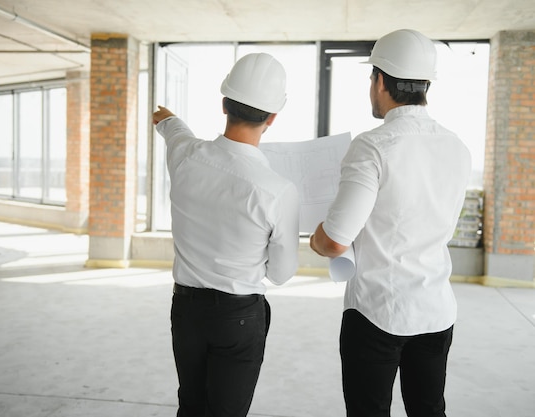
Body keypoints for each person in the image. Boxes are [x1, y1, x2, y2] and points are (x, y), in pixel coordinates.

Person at [310, 29, 471, 417]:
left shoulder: (373, 146)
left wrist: (317, 237)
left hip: (377, 312)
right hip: (435, 310)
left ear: (380, 81)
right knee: (428, 409)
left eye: (371, 78)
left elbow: (333, 241)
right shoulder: (456, 147)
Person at [152, 53, 300, 417]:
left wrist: (166, 117)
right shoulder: (277, 190)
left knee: (191, 404)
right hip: (238, 317)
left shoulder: (185, 155)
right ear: (272, 118)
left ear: (224, 104)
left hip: (185, 311)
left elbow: (173, 128)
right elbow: (280, 274)